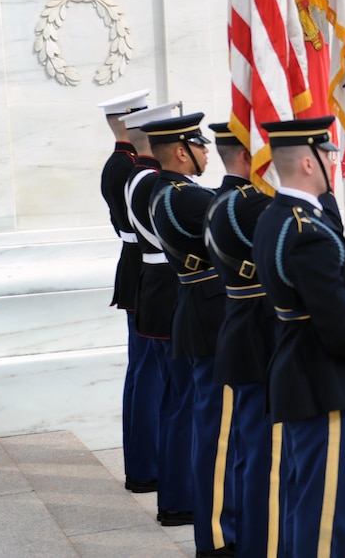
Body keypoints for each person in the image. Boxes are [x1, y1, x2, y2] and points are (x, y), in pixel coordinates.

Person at [251, 116, 345, 557]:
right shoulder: (307, 231)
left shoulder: (275, 217)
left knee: (303, 502)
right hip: (323, 383)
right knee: (326, 517)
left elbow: (312, 292)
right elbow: (333, 320)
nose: (334, 161)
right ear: (306, 162)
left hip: (297, 373)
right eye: (327, 153)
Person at [143, 113, 235, 555]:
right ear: (183, 151)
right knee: (216, 430)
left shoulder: (165, 191)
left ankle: (210, 521)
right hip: (211, 316)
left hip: (196, 312)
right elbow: (239, 216)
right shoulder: (186, 197)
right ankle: (217, 535)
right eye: (201, 147)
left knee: (207, 422)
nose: (206, 154)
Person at [119, 101, 193, 526]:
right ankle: (164, 481)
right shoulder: (150, 181)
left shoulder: (139, 175)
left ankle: (159, 475)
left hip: (155, 285)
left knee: (162, 387)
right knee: (172, 392)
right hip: (165, 286)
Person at [205, 122, 275, 558]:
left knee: (247, 449)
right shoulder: (253, 206)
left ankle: (244, 537)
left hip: (236, 324)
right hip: (261, 332)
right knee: (261, 453)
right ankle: (258, 543)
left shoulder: (214, 201)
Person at [96, 88, 161, 495]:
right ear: (129, 123)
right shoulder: (129, 168)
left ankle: (144, 464)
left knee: (143, 373)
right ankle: (145, 467)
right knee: (148, 375)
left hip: (135, 271)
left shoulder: (122, 165)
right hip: (143, 272)